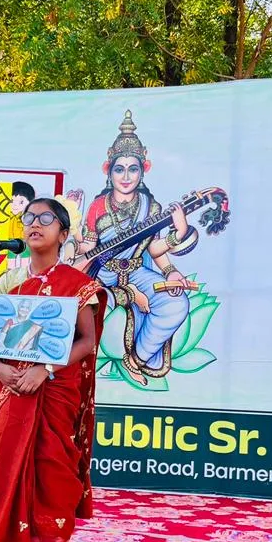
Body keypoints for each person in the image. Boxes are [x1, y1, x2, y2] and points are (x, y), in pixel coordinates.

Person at [0, 198, 106, 542]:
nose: (35, 223)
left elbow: (87, 341)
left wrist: (44, 369)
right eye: (29, 217)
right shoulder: (7, 281)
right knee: (3, 466)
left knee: (51, 468)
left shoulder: (77, 285)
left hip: (54, 387)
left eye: (46, 218)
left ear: (63, 234)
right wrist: (0, 367)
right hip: (12, 387)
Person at [74, 111, 197, 385]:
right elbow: (89, 247)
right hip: (102, 276)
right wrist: (71, 234)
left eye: (133, 169)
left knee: (177, 303)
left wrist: (173, 260)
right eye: (120, 169)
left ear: (143, 170)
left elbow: (154, 248)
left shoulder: (150, 207)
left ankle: (137, 359)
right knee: (90, 312)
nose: (126, 176)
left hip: (137, 272)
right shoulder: (98, 206)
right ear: (109, 171)